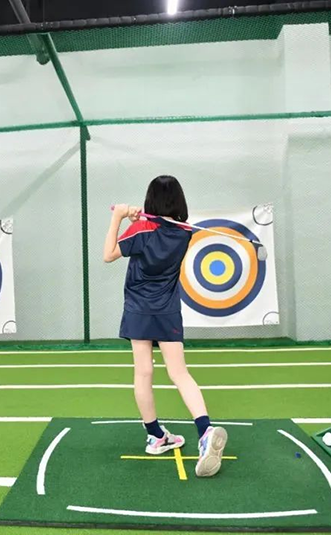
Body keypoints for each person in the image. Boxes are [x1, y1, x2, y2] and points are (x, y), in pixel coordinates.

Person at [103, 175, 228, 477]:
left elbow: (108, 255)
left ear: (150, 201)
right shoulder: (185, 233)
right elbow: (159, 231)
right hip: (167, 310)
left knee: (143, 372)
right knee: (179, 373)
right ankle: (204, 431)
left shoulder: (141, 229)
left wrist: (119, 217)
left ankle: (155, 436)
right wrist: (136, 220)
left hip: (138, 310)